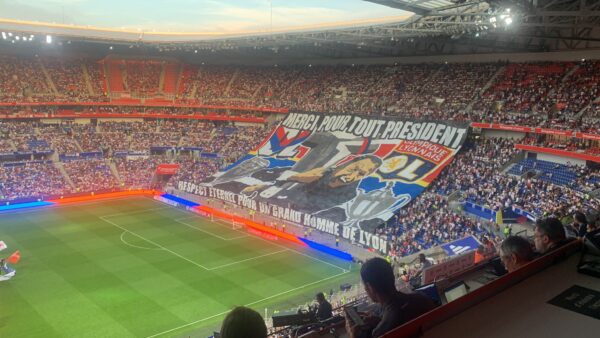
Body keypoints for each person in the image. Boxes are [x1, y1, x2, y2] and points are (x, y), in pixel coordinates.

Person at [345, 257, 436, 338]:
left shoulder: (380, 332)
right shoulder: (421, 299)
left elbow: (395, 320)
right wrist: (380, 321)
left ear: (370, 287)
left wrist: (352, 335)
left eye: (365, 286)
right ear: (392, 277)